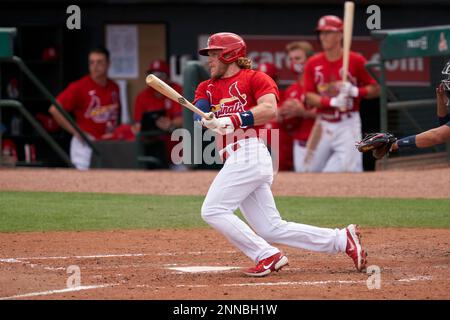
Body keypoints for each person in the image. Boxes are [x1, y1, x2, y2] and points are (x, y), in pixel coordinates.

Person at [194, 32, 367, 277]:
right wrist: (207, 120)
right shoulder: (206, 87)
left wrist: (234, 119)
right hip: (235, 158)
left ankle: (266, 255)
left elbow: (269, 109)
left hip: (250, 153)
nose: (209, 60)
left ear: (229, 54)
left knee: (212, 210)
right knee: (270, 228)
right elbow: (197, 112)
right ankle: (341, 239)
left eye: (213, 54)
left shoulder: (255, 78)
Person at [303, 15, 380, 172]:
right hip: (323, 122)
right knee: (308, 169)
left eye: (328, 32)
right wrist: (331, 102)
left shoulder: (356, 60)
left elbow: (377, 89)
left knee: (348, 170)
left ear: (340, 35)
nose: (323, 37)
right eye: (321, 33)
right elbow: (309, 96)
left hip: (348, 123)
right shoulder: (313, 62)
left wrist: (355, 91)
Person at [49, 47, 120, 170]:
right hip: (85, 144)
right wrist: (75, 131)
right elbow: (54, 109)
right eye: (91, 62)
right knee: (84, 182)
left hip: (107, 143)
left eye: (99, 62)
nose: (95, 66)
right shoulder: (79, 86)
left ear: (108, 64)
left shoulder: (114, 87)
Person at [133, 59, 183, 168]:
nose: (156, 80)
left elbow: (184, 119)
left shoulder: (177, 90)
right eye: (153, 76)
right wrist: (146, 126)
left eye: (160, 75)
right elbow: (137, 125)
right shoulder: (142, 96)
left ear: (168, 77)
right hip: (153, 150)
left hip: (178, 151)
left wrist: (170, 123)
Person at [279, 41, 317, 172]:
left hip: (320, 144)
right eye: (291, 59)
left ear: (310, 59)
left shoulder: (320, 85)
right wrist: (281, 114)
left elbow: (332, 114)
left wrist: (304, 113)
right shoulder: (291, 90)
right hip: (299, 144)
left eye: (298, 58)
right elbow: (286, 121)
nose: (294, 62)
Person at [256, 62, 293, 171]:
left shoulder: (285, 96)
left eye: (269, 78)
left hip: (281, 153)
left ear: (276, 80)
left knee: (271, 126)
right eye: (261, 79)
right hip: (255, 150)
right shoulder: (249, 98)